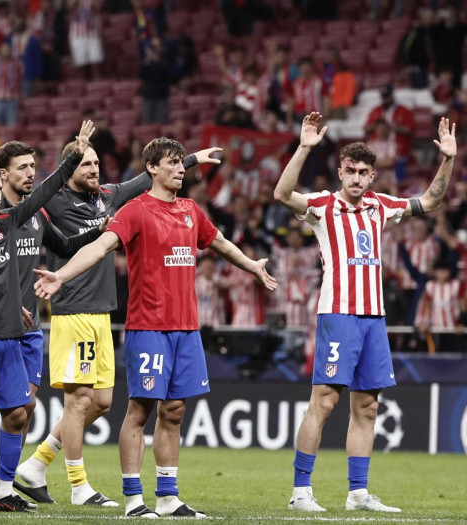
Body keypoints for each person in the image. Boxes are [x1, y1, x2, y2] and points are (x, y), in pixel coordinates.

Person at [35, 137, 277, 518]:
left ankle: (168, 497)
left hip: (187, 329)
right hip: (148, 328)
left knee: (175, 410)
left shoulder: (191, 210)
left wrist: (252, 266)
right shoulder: (134, 211)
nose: (181, 170)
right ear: (152, 169)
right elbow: (99, 247)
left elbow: (221, 243)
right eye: (173, 163)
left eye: (183, 163)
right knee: (140, 411)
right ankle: (134, 499)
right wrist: (60, 276)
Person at [15, 139, 219, 506]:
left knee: (102, 403)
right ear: (68, 171)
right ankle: (79, 487)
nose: (93, 169)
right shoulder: (53, 202)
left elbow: (148, 177)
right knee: (78, 402)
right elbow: (41, 225)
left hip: (102, 312)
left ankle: (36, 463)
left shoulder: (109, 195)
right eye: (84, 165)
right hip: (72, 309)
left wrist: (190, 159)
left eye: (96, 163)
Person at [274, 113, 456, 513]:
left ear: (373, 177)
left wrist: (447, 159)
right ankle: (300, 491)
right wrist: (304, 147)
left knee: (368, 407)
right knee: (323, 402)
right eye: (351, 171)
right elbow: (283, 195)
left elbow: (430, 201)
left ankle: (358, 493)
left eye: (364, 172)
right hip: (338, 315)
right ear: (340, 172)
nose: (357, 178)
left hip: (374, 319)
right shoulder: (322, 206)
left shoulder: (380, 206)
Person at [0, 121, 95, 514]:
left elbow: (44, 190)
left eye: (0, 189)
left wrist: (74, 156)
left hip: (11, 335)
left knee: (17, 412)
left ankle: (3, 488)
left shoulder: (8, 222)